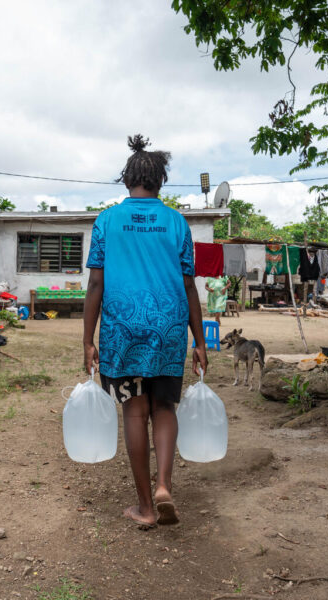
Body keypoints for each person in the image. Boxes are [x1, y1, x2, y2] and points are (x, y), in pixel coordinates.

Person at [83, 134, 208, 528]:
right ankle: (164, 486)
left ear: (127, 180)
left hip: (123, 328)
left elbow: (96, 285)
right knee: (164, 407)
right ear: (160, 182)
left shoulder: (107, 220)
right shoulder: (177, 222)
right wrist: (200, 340)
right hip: (170, 326)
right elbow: (189, 286)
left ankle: (145, 508)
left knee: (134, 411)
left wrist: (88, 339)